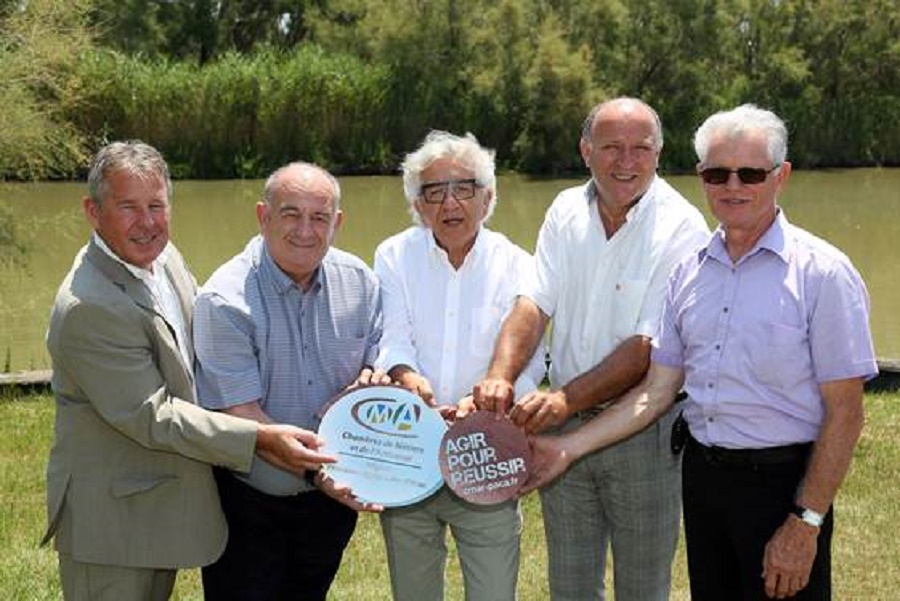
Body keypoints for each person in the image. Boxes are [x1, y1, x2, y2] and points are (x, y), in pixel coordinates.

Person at [523, 104, 877, 600]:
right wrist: (566, 447)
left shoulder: (823, 274)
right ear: (701, 177)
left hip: (784, 484)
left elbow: (847, 413)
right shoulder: (689, 274)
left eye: (750, 173)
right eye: (717, 173)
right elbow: (657, 391)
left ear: (782, 176)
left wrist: (806, 521)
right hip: (705, 482)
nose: (733, 187)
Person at [43, 141, 337, 601]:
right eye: (128, 207)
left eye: (157, 205)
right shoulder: (90, 306)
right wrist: (257, 437)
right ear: (93, 211)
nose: (147, 223)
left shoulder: (161, 258)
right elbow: (152, 415)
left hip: (155, 505)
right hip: (110, 524)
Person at [474, 97, 710, 600]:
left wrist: (562, 401)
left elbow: (646, 347)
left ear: (658, 153)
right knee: (571, 585)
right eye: (611, 148)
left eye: (641, 149)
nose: (627, 162)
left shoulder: (682, 225)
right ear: (586, 150)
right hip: (563, 421)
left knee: (642, 586)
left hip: (642, 427)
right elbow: (534, 303)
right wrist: (500, 373)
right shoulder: (564, 209)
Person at [193, 161, 384, 600]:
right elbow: (244, 417)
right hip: (249, 502)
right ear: (263, 216)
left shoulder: (360, 282)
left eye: (319, 217)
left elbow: (378, 358)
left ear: (337, 223)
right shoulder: (225, 300)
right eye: (290, 214)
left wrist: (374, 378)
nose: (305, 230)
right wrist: (319, 473)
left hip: (330, 503)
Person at [373, 130, 545, 601]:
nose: (450, 203)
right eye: (434, 191)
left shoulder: (519, 264)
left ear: (487, 198)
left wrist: (490, 400)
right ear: (417, 203)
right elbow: (392, 338)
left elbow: (531, 357)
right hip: (411, 452)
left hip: (486, 454)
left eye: (464, 188)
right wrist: (407, 378)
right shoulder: (393, 256)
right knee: (414, 591)